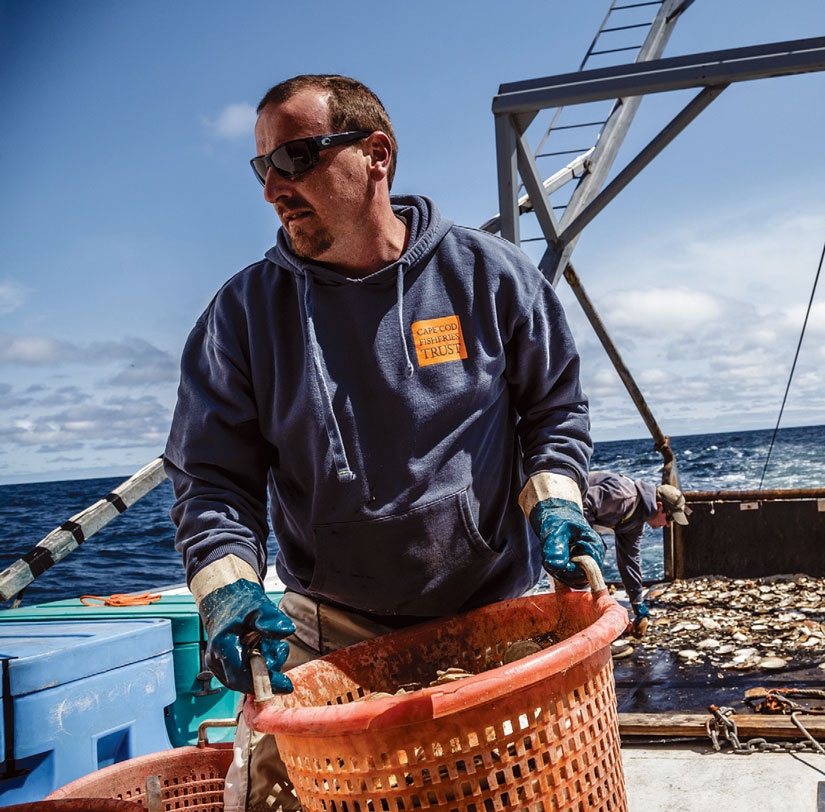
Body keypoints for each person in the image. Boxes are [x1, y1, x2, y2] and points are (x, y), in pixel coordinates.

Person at [164, 74, 603, 812]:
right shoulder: (242, 315)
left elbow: (553, 414)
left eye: (296, 158)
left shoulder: (490, 277)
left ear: (376, 155)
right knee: (276, 797)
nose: (274, 186)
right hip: (325, 632)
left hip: (490, 616)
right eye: (262, 167)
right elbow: (212, 481)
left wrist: (557, 506)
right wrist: (227, 588)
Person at [582, 471, 690, 637]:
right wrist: (589, 539)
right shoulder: (624, 497)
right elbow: (583, 501)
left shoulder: (635, 522)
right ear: (659, 506)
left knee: (589, 565)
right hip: (554, 503)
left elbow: (630, 561)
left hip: (577, 517)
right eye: (670, 519)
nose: (668, 525)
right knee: (585, 566)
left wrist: (637, 602)